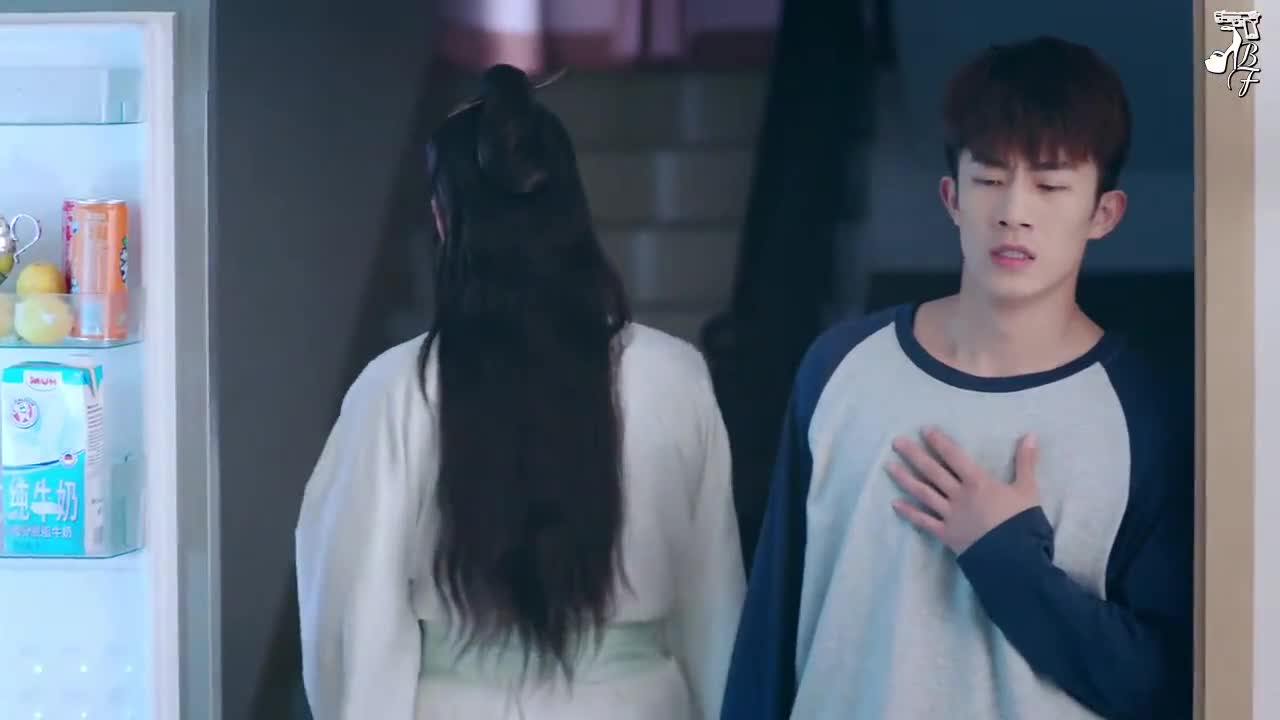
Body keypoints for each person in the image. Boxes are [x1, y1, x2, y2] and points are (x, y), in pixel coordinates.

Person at [719, 36, 1193, 720]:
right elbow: (770, 632)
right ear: (952, 197)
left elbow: (1164, 685)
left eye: (1051, 185)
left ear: (1103, 213)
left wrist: (1007, 560)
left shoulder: (1145, 412)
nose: (1014, 211)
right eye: (990, 178)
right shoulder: (841, 368)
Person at [295, 64, 745, 720]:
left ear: (443, 221)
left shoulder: (397, 390)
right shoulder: (676, 376)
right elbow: (716, 606)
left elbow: (351, 610)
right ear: (572, 212)